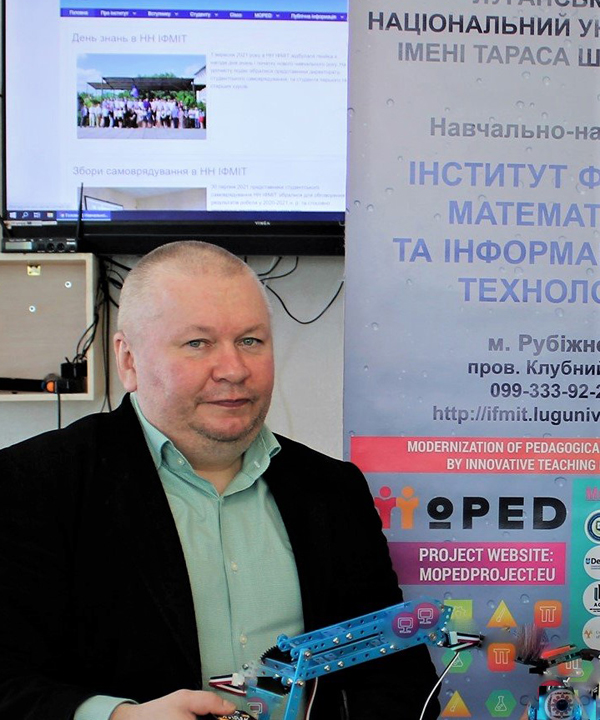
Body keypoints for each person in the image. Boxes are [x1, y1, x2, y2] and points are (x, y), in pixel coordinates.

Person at [0, 241, 440, 720]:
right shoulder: (32, 484)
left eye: (250, 341)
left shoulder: (333, 490)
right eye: (198, 343)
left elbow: (396, 673)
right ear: (128, 360)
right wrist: (118, 717)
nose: (234, 369)